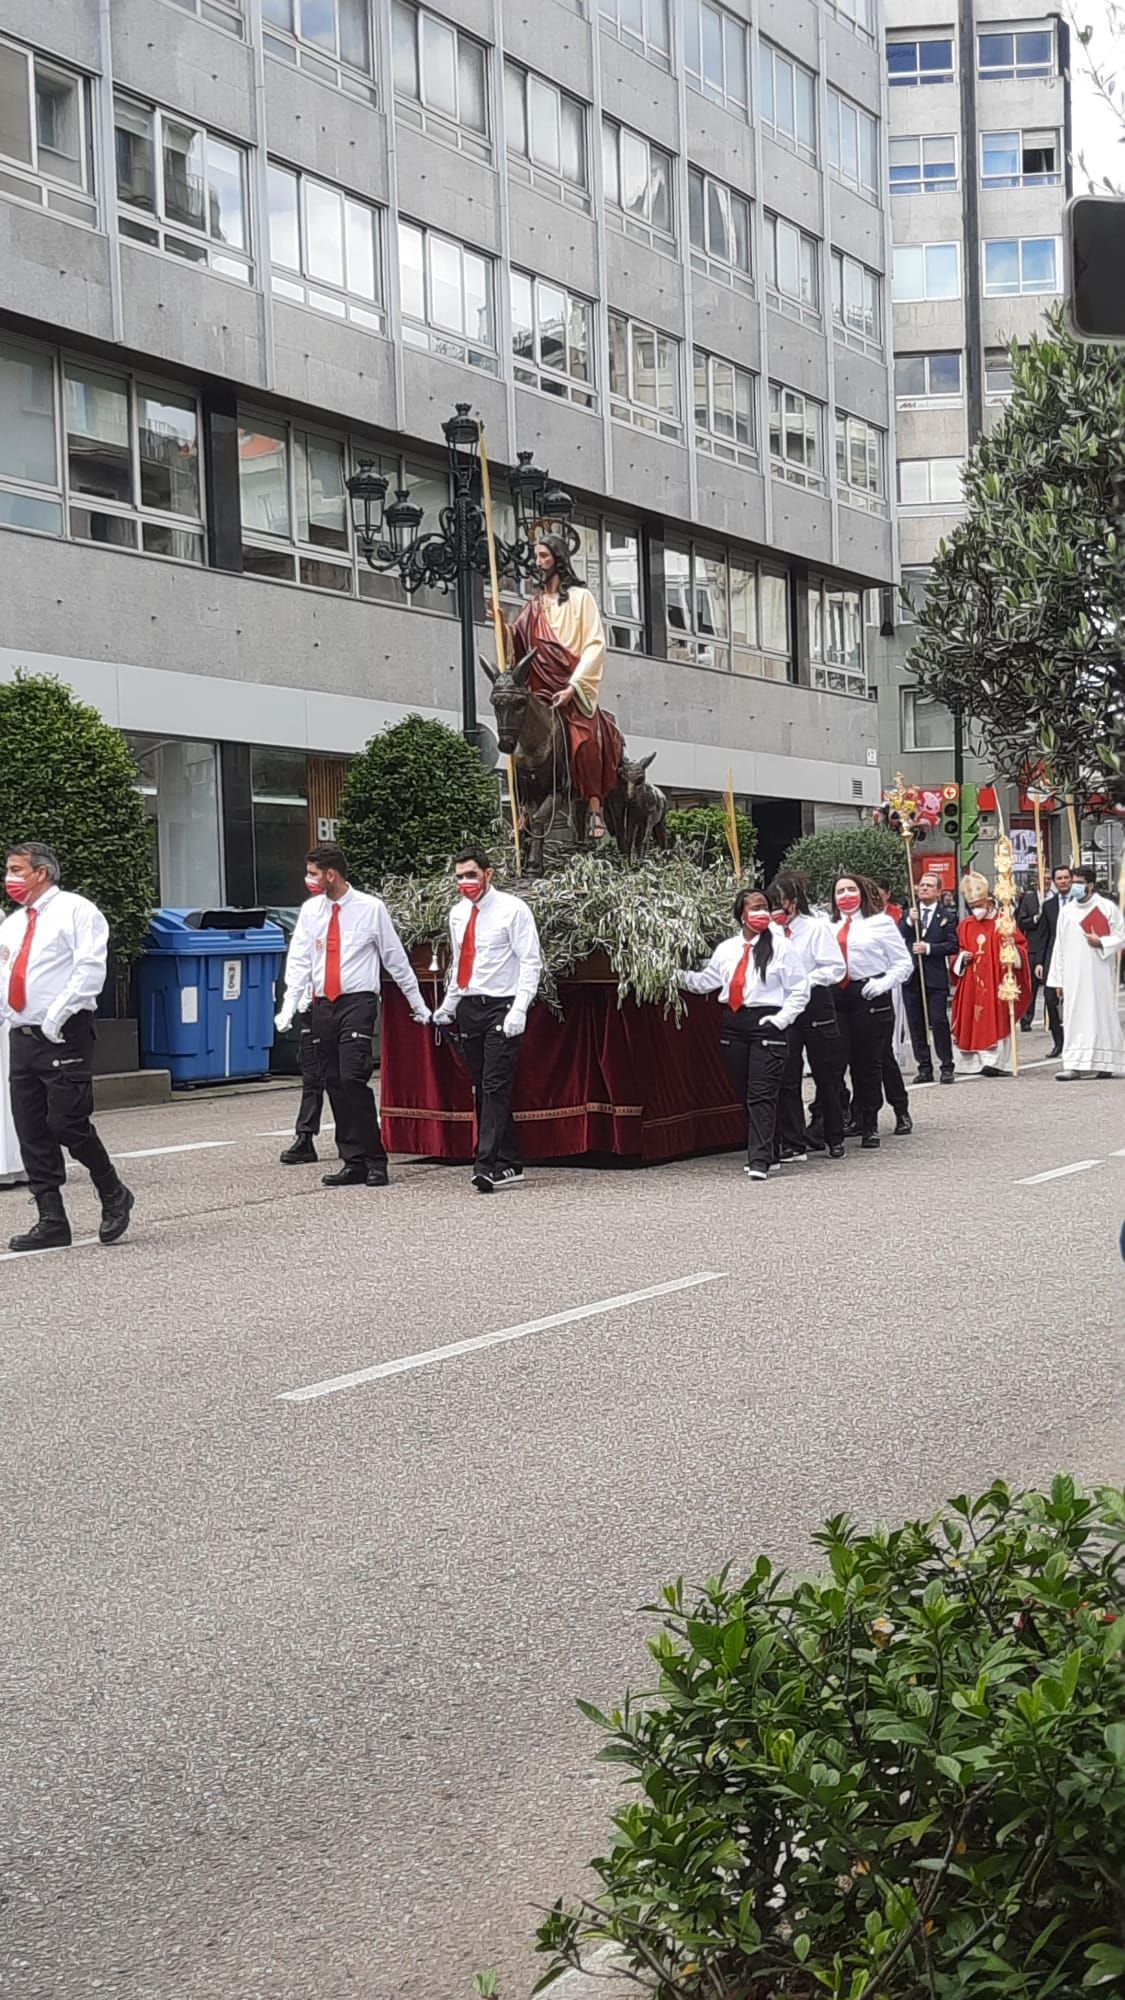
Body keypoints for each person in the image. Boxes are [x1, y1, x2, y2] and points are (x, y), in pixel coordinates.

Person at [0, 841, 134, 1252]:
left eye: (17, 869)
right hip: (21, 1035)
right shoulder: (13, 923)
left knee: (67, 1123)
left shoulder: (77, 911)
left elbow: (89, 968)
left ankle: (112, 1191)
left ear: (42, 872)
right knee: (32, 1129)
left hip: (64, 1032)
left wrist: (57, 1015)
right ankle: (51, 1218)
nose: (11, 878)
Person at [274, 843, 430, 1188]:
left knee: (352, 1078)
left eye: (314, 873)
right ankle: (352, 1160)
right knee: (331, 1080)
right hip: (323, 1004)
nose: (309, 880)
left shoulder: (370, 909)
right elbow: (299, 960)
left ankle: (375, 1159)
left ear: (331, 874)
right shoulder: (311, 911)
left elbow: (394, 958)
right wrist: (290, 1004)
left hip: (357, 1001)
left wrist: (416, 1002)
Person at [491, 535, 623, 842]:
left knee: (587, 738)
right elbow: (518, 645)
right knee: (519, 736)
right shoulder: (534, 605)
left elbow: (594, 644)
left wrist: (575, 686)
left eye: (543, 556)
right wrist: (501, 624)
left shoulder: (581, 598)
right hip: (539, 688)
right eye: (536, 557)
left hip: (570, 685)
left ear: (558, 559)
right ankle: (524, 807)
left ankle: (593, 807)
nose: (538, 562)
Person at [678, 888, 810, 1181]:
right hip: (734, 1024)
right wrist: (670, 974)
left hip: (767, 1021)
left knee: (761, 1092)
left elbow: (800, 989)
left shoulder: (782, 947)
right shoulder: (727, 948)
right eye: (754, 908)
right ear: (741, 914)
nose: (761, 914)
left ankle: (759, 1159)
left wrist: (781, 1020)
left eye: (764, 907)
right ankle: (771, 1147)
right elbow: (705, 982)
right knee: (745, 1091)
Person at [432, 848, 542, 1193]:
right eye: (460, 876)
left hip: (502, 1005)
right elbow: (461, 964)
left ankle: (486, 1163)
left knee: (495, 1083)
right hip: (470, 1006)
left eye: (471, 875)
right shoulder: (457, 914)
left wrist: (520, 1007)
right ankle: (510, 1162)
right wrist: (449, 1005)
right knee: (483, 1086)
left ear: (488, 874)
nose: (465, 883)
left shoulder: (513, 910)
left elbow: (530, 961)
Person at [828, 874, 914, 1149]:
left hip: (871, 993)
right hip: (839, 994)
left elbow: (903, 963)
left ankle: (875, 1119)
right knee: (840, 1059)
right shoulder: (827, 926)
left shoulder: (880, 923)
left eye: (851, 889)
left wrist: (883, 983)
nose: (846, 895)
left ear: (863, 893)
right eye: (840, 891)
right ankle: (848, 1114)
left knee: (872, 1061)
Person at [767, 871, 847, 1161]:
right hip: (786, 1006)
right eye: (773, 905)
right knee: (788, 1076)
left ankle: (834, 1135)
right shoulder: (771, 932)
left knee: (826, 1073)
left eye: (782, 904)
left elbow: (834, 968)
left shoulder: (816, 928)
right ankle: (793, 1139)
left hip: (815, 1004)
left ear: (794, 902)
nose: (779, 911)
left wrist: (804, 980)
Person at [950, 871, 1032, 1076]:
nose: (975, 910)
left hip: (997, 979)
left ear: (988, 902)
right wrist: (962, 958)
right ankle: (970, 1063)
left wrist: (1012, 947)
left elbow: (1022, 947)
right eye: (972, 906)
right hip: (971, 979)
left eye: (978, 905)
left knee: (995, 1018)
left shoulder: (1003, 923)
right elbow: (956, 951)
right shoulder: (966, 925)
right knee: (970, 1018)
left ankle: (995, 1062)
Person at [1047, 865, 1125, 1079]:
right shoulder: (1067, 911)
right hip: (1073, 977)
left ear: (1090, 885)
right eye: (1074, 883)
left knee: (1101, 1015)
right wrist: (1058, 980)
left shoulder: (1106, 908)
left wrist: (1102, 942)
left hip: (1099, 974)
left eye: (1080, 883)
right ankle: (1074, 1065)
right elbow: (1059, 946)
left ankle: (1105, 1062)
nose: (1075, 887)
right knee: (1074, 1017)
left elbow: (1121, 936)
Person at [898, 872, 959, 1082]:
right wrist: (908, 921)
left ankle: (946, 1064)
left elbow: (953, 945)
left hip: (934, 977)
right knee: (916, 1023)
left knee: (939, 1021)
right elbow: (898, 937)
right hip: (912, 977)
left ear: (938, 891)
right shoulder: (909, 914)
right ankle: (924, 1066)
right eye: (922, 885)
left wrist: (929, 948)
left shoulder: (947, 916)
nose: (924, 888)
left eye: (929, 886)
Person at [1028, 865, 1072, 1056]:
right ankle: (1059, 1043)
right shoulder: (1049, 905)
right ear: (1055, 882)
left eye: (1066, 878)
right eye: (1059, 878)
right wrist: (1039, 962)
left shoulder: (1080, 903)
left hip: (1076, 960)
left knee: (1073, 1004)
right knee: (1051, 1001)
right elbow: (1043, 935)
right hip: (1053, 960)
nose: (1063, 881)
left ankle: (1074, 1042)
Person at [278, 1007, 327, 1165]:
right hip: (311, 1011)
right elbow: (296, 983)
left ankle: (353, 1140)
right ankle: (304, 1138)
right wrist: (288, 1012)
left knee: (343, 1080)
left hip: (344, 1007)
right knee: (311, 1081)